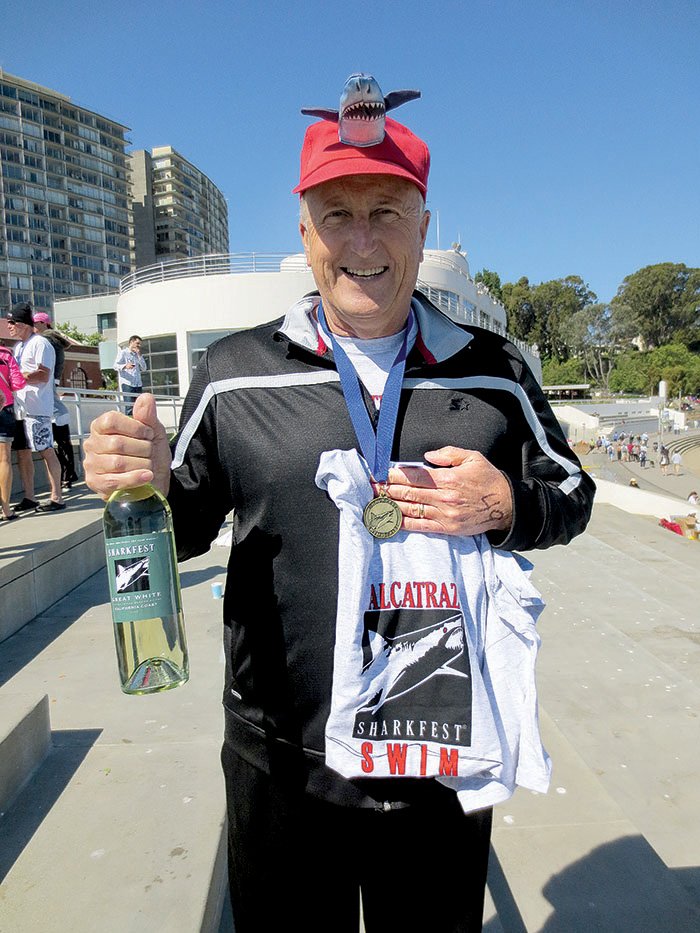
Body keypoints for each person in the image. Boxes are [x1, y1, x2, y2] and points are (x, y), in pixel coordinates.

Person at [85, 86, 595, 932]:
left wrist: (508, 503)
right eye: (336, 214)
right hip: (281, 760)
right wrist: (141, 486)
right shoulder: (234, 373)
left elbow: (573, 493)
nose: (362, 240)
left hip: (438, 757)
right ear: (304, 235)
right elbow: (183, 529)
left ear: (423, 228)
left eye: (385, 211)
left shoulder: (490, 368)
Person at [7, 303, 65, 512]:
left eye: (12, 322)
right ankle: (30, 496)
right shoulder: (19, 347)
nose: (9, 326)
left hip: (38, 408)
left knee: (46, 450)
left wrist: (18, 377)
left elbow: (43, 374)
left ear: (23, 324)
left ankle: (57, 497)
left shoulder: (41, 343)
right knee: (23, 452)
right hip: (20, 408)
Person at [33, 312, 79, 489]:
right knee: (62, 441)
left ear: (45, 324)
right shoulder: (53, 341)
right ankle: (68, 474)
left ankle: (66, 475)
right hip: (53, 397)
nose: (34, 326)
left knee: (56, 442)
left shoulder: (46, 341)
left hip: (49, 399)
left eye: (37, 323)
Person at [0, 343, 26, 521]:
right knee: (4, 459)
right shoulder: (5, 355)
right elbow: (18, 383)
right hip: (4, 407)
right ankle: (6, 509)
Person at [114, 335, 147, 416]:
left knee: (138, 407)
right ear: (131, 342)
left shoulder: (138, 355)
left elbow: (144, 368)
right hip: (128, 384)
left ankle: (137, 425)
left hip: (138, 384)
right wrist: (125, 366)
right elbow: (115, 366)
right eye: (137, 343)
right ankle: (130, 426)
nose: (139, 346)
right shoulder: (123, 353)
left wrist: (139, 355)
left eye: (140, 344)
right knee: (129, 407)